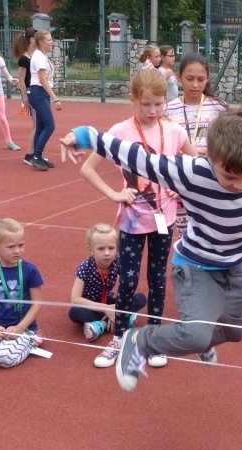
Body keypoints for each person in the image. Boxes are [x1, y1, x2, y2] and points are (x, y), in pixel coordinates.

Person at [61, 91, 242, 393]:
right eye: (230, 177)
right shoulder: (191, 172)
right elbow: (140, 158)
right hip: (196, 267)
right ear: (212, 159)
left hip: (234, 268)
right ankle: (140, 342)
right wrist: (86, 135)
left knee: (233, 333)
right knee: (195, 335)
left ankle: (201, 339)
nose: (239, 185)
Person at [79, 69, 196, 369]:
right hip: (132, 220)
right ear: (133, 100)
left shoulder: (174, 131)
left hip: (164, 219)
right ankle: (119, 337)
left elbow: (194, 166)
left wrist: (177, 188)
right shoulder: (119, 131)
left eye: (159, 104)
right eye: (146, 105)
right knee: (128, 280)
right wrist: (115, 194)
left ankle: (154, 338)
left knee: (157, 279)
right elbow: (88, 168)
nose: (153, 111)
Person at [163, 52, 229, 238]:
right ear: (178, 77)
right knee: (184, 236)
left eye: (201, 79)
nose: (195, 84)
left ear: (207, 79)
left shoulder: (219, 107)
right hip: (180, 182)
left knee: (211, 234)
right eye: (189, 78)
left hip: (210, 180)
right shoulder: (167, 110)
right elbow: (164, 146)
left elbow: (227, 145)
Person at [68, 223, 148, 366]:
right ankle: (116, 320)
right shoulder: (85, 267)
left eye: (111, 248)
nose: (107, 253)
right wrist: (105, 309)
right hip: (91, 305)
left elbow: (127, 289)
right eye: (101, 249)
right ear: (90, 250)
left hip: (111, 302)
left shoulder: (117, 262)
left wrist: (115, 308)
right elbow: (75, 299)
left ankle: (101, 325)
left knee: (141, 298)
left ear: (117, 248)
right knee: (74, 312)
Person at [0, 216, 43, 368]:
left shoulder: (30, 270)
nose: (17, 251)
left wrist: (20, 328)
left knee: (3, 360)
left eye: (21, 245)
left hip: (24, 328)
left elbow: (36, 304)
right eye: (11, 247)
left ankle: (32, 341)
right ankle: (2, 343)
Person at [27, 30, 63, 171]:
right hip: (38, 92)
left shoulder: (40, 55)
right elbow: (42, 79)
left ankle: (37, 156)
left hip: (40, 93)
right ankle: (36, 156)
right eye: (49, 40)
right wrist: (55, 98)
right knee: (49, 126)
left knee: (41, 126)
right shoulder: (39, 57)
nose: (51, 42)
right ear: (40, 42)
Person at [12, 27, 42, 167]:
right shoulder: (24, 58)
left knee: (39, 125)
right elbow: (22, 80)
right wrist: (25, 98)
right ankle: (29, 155)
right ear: (32, 39)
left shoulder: (34, 56)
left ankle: (36, 154)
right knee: (36, 125)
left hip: (36, 91)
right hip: (30, 92)